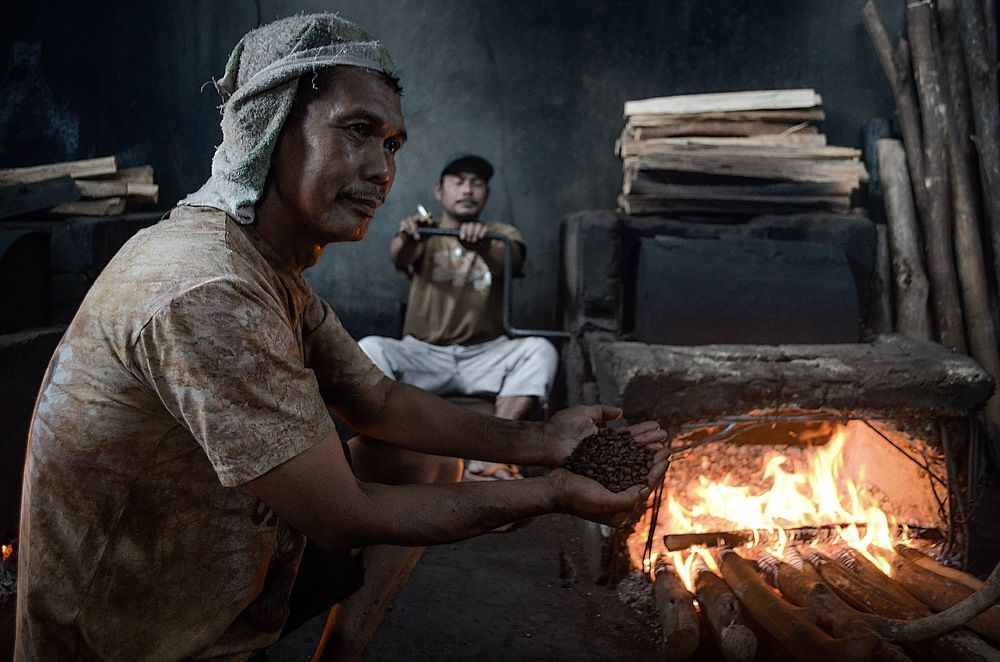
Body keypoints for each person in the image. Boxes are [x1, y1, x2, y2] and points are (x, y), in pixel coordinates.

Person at [14, 13, 668, 661]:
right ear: (266, 128)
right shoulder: (205, 285)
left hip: (222, 574)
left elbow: (378, 403)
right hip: (126, 641)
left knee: (422, 458)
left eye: (391, 144)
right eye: (357, 130)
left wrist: (544, 442)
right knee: (362, 493)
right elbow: (341, 516)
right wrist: (553, 492)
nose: (383, 169)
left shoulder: (268, 265)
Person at [359, 156, 557, 479]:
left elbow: (509, 261)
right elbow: (399, 255)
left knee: (541, 350)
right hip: (425, 355)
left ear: (486, 194)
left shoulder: (500, 233)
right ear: (439, 190)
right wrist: (409, 236)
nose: (467, 189)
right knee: (369, 348)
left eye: (476, 183)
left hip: (483, 355)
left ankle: (492, 449)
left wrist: (482, 246)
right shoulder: (425, 232)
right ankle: (409, 448)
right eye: (459, 181)